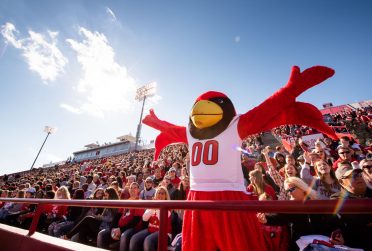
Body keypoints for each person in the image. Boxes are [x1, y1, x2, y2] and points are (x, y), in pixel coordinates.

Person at [329, 162, 372, 250]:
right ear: (341, 182)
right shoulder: (336, 199)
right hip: (357, 245)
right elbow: (358, 222)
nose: (359, 177)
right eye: (353, 176)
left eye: (359, 174)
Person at [97, 182, 145, 250]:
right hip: (119, 228)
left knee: (124, 236)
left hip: (132, 228)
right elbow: (117, 216)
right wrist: (113, 228)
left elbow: (136, 221)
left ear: (139, 190)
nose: (133, 189)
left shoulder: (140, 202)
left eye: (135, 188)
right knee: (102, 234)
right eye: (131, 188)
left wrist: (121, 229)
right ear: (129, 190)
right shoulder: (126, 201)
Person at [128, 186, 172, 251]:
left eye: (162, 193)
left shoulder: (168, 207)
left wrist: (156, 208)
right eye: (158, 193)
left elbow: (161, 220)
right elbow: (144, 218)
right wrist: (152, 208)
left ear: (166, 196)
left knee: (148, 241)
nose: (160, 195)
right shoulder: (153, 205)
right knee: (134, 238)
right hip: (151, 230)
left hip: (164, 233)